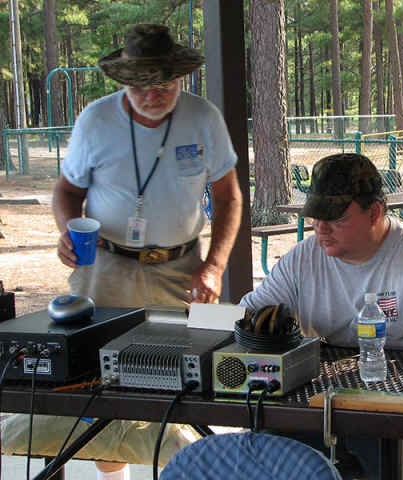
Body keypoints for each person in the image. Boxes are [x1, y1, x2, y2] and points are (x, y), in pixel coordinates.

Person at [1, 24, 241, 480]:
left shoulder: (203, 117)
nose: (153, 95)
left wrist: (215, 265)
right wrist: (67, 232)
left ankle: (181, 469)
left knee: (179, 383)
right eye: (141, 86)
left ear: (180, 77)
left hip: (180, 267)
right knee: (98, 383)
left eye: (164, 84)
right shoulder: (96, 120)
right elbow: (67, 191)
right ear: (123, 82)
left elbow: (229, 197)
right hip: (105, 267)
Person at [240, 153, 403, 479]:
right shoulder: (301, 260)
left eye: (336, 218)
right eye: (316, 217)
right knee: (264, 444)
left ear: (374, 213)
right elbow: (248, 316)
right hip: (325, 404)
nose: (321, 228)